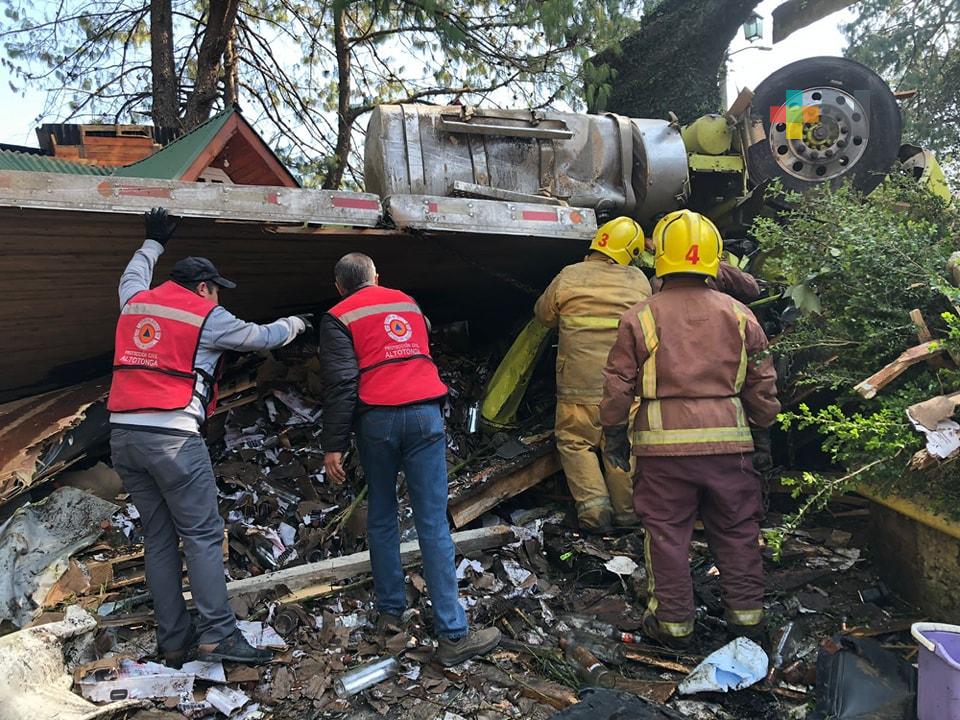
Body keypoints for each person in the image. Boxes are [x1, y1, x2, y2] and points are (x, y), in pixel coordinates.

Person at [108, 208, 308, 666]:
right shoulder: (206, 315)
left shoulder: (135, 301)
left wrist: (153, 241)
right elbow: (259, 337)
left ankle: (174, 641)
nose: (218, 298)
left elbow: (133, 273)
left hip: (124, 438)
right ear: (204, 287)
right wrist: (297, 324)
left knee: (158, 539)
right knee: (200, 535)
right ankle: (218, 635)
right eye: (216, 290)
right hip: (173, 439)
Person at [599, 209, 780, 648]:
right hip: (729, 446)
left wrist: (614, 433)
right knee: (738, 531)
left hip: (663, 453)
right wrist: (764, 433)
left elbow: (618, 383)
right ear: (713, 259)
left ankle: (674, 625)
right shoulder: (740, 315)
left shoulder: (640, 317)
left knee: (666, 535)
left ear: (660, 256)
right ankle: (747, 619)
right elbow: (762, 380)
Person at [318, 252, 501, 666]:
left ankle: (390, 613)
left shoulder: (337, 317)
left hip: (377, 420)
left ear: (339, 286)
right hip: (425, 414)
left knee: (382, 513)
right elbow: (423, 341)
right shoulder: (406, 302)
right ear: (377, 277)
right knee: (432, 522)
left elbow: (343, 384)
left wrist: (333, 444)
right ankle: (453, 633)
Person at [534, 217, 652, 532]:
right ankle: (628, 515)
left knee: (575, 443)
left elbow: (543, 316)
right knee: (619, 444)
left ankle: (595, 515)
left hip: (577, 385)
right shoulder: (639, 280)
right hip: (624, 387)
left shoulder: (570, 276)